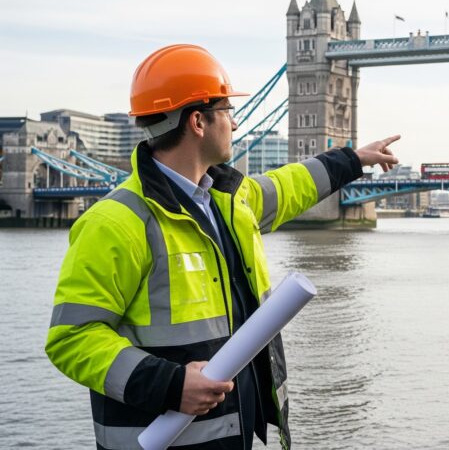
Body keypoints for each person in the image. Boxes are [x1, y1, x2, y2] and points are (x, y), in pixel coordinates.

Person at [45, 44, 400, 449]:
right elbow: (72, 337)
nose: (234, 123)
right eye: (228, 111)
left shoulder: (231, 200)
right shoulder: (116, 223)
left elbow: (289, 186)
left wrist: (353, 159)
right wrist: (170, 384)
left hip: (232, 435)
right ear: (198, 121)